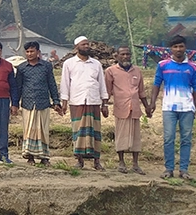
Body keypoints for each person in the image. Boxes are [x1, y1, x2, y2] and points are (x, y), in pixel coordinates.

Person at [151, 35, 196, 179]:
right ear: (171, 49)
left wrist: (194, 108)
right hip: (169, 108)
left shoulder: (193, 67)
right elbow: (156, 84)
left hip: (187, 108)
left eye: (181, 46)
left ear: (185, 48)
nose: (178, 49)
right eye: (175, 47)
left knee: (186, 139)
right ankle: (169, 169)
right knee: (168, 138)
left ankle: (184, 170)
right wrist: (153, 103)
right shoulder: (163, 65)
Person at [60, 36, 109, 171]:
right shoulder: (69, 63)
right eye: (84, 44)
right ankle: (79, 160)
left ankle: (97, 161)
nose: (87, 46)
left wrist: (104, 103)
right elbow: (65, 84)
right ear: (76, 47)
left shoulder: (96, 64)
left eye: (87, 44)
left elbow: (102, 85)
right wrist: (64, 102)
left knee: (95, 131)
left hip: (94, 101)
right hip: (77, 101)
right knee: (78, 131)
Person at [14, 41, 62, 166]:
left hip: (43, 102)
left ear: (38, 52)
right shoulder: (22, 68)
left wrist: (56, 101)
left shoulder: (46, 66)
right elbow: (18, 87)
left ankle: (44, 157)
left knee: (43, 130)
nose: (29, 54)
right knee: (29, 130)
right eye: (27, 52)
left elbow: (51, 84)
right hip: (28, 103)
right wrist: (14, 103)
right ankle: (30, 156)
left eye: (32, 51)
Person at [105, 46, 151, 175]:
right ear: (117, 56)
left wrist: (147, 107)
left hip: (135, 108)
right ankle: (121, 162)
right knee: (121, 135)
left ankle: (135, 164)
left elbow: (141, 92)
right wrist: (103, 105)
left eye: (128, 54)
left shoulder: (137, 71)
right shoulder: (111, 71)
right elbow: (107, 91)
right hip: (121, 107)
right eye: (123, 54)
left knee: (136, 137)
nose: (126, 57)